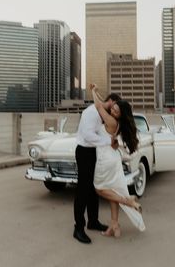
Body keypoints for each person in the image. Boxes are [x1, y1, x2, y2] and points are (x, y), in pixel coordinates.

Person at [91, 83, 145, 237]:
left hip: (105, 159)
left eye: (116, 110)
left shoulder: (111, 121)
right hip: (113, 158)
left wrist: (93, 91)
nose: (113, 110)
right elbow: (105, 104)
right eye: (113, 107)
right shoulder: (118, 123)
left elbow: (98, 106)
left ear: (120, 114)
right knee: (112, 190)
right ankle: (114, 226)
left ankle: (128, 201)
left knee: (99, 188)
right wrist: (102, 97)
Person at [73, 91, 122, 244]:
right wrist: (108, 141)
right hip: (84, 152)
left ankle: (93, 221)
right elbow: (88, 135)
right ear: (111, 101)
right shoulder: (90, 113)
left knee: (94, 188)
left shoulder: (101, 112)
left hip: (94, 152)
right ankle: (78, 228)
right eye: (114, 107)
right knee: (83, 190)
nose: (114, 111)